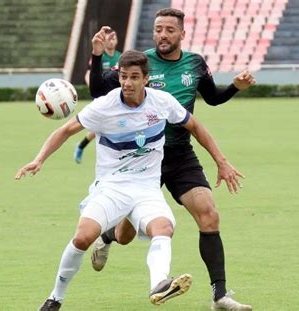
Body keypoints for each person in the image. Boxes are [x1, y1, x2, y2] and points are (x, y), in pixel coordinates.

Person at [15, 50, 244, 311]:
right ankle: (55, 297)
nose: (127, 83)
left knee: (164, 228)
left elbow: (196, 126)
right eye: (124, 76)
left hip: (147, 189)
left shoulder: (162, 101)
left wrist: (221, 161)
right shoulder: (105, 106)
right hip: (112, 188)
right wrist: (39, 159)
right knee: (82, 239)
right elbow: (66, 130)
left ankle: (159, 284)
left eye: (134, 77)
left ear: (146, 79)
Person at [87, 8, 255, 311]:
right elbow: (98, 90)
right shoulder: (141, 63)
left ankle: (220, 296)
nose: (162, 35)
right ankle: (108, 236)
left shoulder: (195, 63)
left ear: (181, 34)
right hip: (140, 158)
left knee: (209, 215)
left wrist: (234, 88)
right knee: (126, 235)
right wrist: (98, 56)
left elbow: (213, 98)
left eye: (169, 30)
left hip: (178, 154)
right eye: (158, 29)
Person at [74, 29, 122, 164]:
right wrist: (93, 87)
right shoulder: (101, 55)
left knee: (103, 126)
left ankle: (81, 146)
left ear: (117, 40)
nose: (112, 41)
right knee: (99, 125)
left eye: (114, 38)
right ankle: (82, 146)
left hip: (116, 98)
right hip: (102, 96)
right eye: (109, 39)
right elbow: (88, 73)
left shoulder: (120, 56)